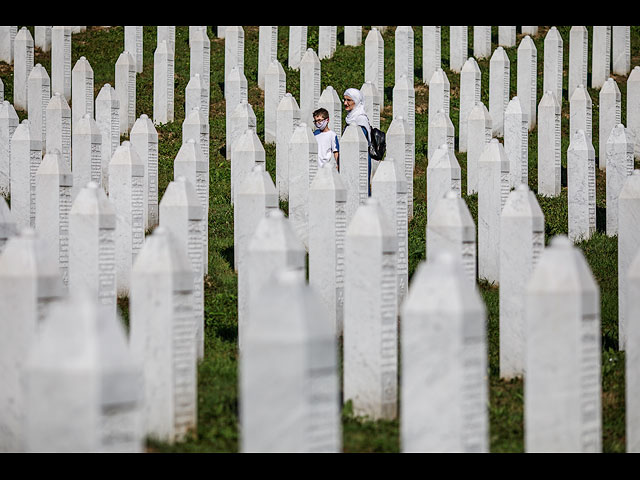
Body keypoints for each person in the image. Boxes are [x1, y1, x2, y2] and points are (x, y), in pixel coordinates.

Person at [343, 88, 373, 195]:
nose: (345, 103)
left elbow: (360, 140)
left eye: (349, 100)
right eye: (344, 100)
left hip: (360, 158)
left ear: (356, 101)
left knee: (362, 189)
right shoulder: (350, 117)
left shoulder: (360, 119)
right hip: (350, 157)